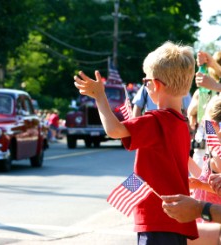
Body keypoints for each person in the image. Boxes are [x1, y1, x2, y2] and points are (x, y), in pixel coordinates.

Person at [74, 41, 198, 243]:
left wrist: (100, 97)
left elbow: (114, 130)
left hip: (157, 219)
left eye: (146, 81)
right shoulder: (181, 123)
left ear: (156, 85)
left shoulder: (156, 120)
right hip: (175, 221)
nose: (145, 85)